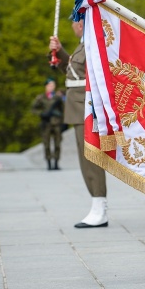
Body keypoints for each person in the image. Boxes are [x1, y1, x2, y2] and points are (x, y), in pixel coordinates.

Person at [50, 18, 108, 228]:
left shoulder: (92, 43)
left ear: (80, 24)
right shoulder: (83, 44)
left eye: (74, 22)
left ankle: (99, 206)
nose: (72, 26)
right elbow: (73, 71)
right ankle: (96, 203)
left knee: (91, 157)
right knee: (86, 157)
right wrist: (60, 51)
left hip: (86, 106)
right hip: (78, 107)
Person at [31, 77, 64, 171]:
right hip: (46, 123)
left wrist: (62, 121)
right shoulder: (41, 97)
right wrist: (42, 114)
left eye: (53, 85)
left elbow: (63, 110)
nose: (51, 87)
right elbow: (34, 109)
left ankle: (56, 163)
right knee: (47, 144)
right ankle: (49, 163)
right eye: (49, 85)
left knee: (57, 144)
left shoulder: (58, 98)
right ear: (46, 86)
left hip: (56, 123)